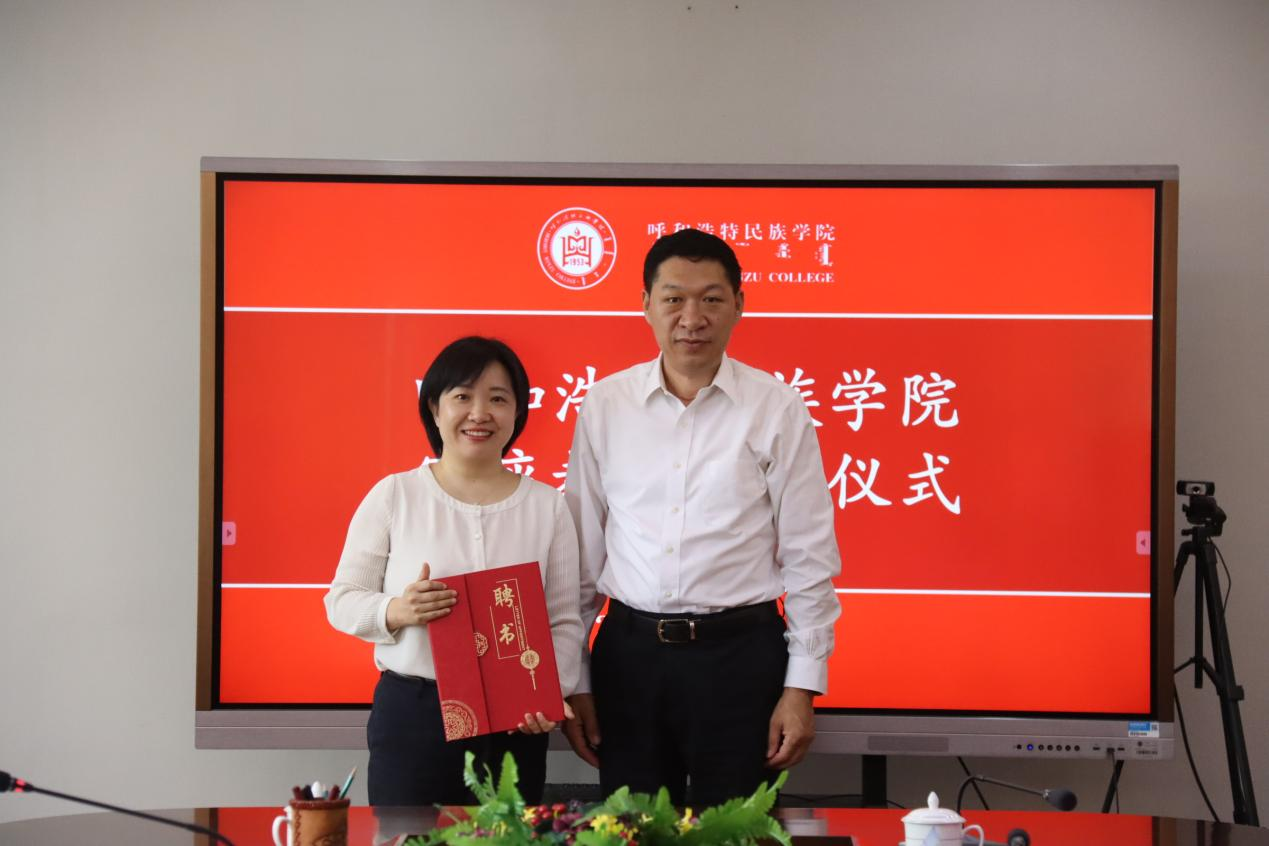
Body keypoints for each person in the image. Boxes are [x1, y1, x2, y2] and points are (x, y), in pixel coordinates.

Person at [562, 229, 842, 807]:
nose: (692, 318)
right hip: (629, 659)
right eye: (674, 299)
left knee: (736, 832)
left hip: (740, 660)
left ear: (739, 305)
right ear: (646, 305)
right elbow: (582, 555)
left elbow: (809, 555)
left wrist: (802, 687)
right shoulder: (606, 405)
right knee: (632, 832)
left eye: (711, 299)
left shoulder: (777, 408)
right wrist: (575, 678)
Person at [325, 336, 584, 806]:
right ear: (435, 408)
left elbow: (564, 620)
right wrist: (398, 610)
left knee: (507, 838)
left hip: (516, 722)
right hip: (415, 717)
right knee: (410, 837)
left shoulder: (547, 506)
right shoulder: (395, 495)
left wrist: (547, 693)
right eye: (462, 396)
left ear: (518, 411)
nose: (479, 413)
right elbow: (341, 601)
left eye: (498, 399)